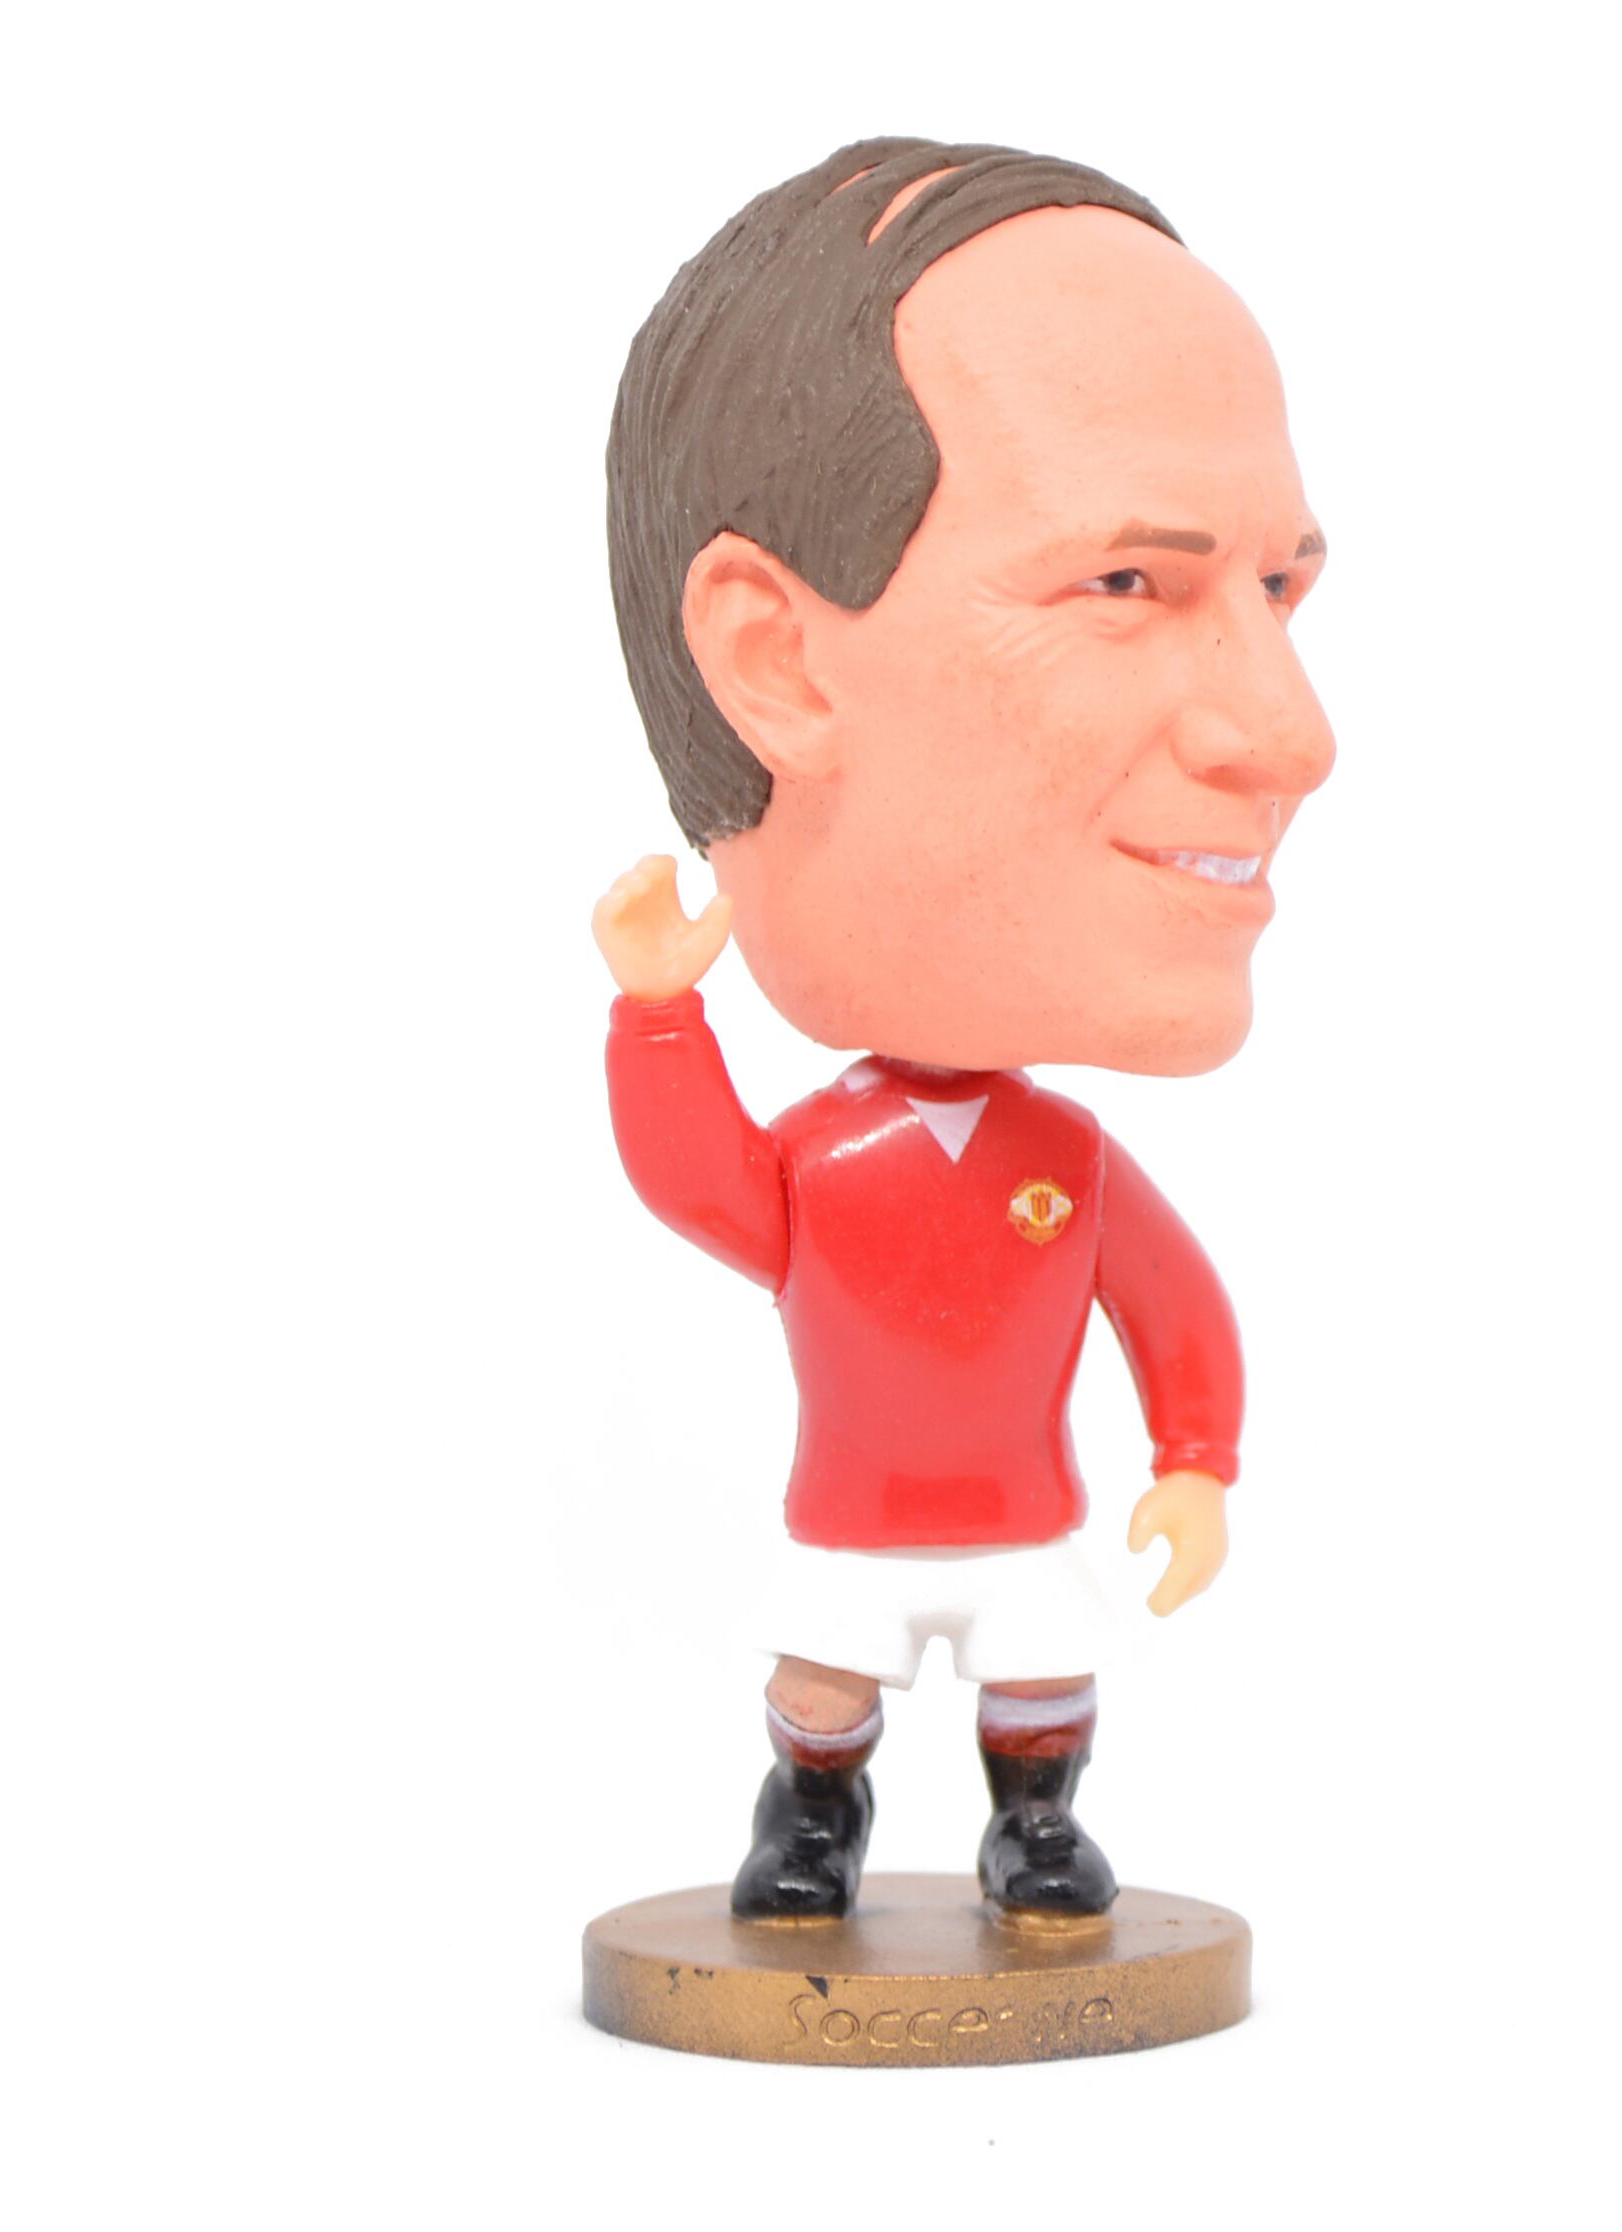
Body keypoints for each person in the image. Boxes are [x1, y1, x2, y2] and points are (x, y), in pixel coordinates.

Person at [594, 138, 1335, 1920]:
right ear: (777, 661)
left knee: (1040, 1679)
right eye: (1125, 585)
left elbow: (1173, 1316)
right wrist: (659, 1016)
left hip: (1017, 1520)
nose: (1297, 738)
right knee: (826, 1680)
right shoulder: (834, 1160)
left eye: (1280, 591)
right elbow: (707, 1188)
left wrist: (1196, 1463)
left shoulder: (1064, 1167)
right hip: (858, 1525)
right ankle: (812, 1822)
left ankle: (1036, 1824)